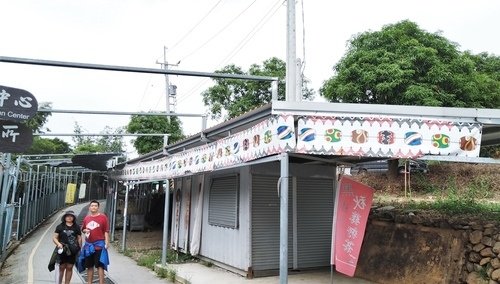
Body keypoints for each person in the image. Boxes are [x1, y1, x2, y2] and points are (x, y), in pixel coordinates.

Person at [80, 200, 110, 284]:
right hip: (88, 245)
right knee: (89, 266)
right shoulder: (87, 218)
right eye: (92, 206)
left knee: (100, 266)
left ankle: (101, 282)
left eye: (95, 206)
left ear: (98, 207)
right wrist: (85, 230)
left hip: (99, 245)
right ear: (89, 207)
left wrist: (107, 242)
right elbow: (83, 229)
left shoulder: (103, 217)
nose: (94, 207)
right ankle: (89, 282)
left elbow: (106, 230)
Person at [52, 210, 82, 284]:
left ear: (73, 218)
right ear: (65, 217)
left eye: (71, 216)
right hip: (62, 250)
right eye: (67, 216)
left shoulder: (76, 227)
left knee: (69, 267)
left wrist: (79, 248)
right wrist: (58, 244)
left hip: (72, 250)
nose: (69, 217)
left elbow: (79, 238)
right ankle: (59, 282)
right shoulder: (60, 226)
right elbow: (54, 238)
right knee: (61, 267)